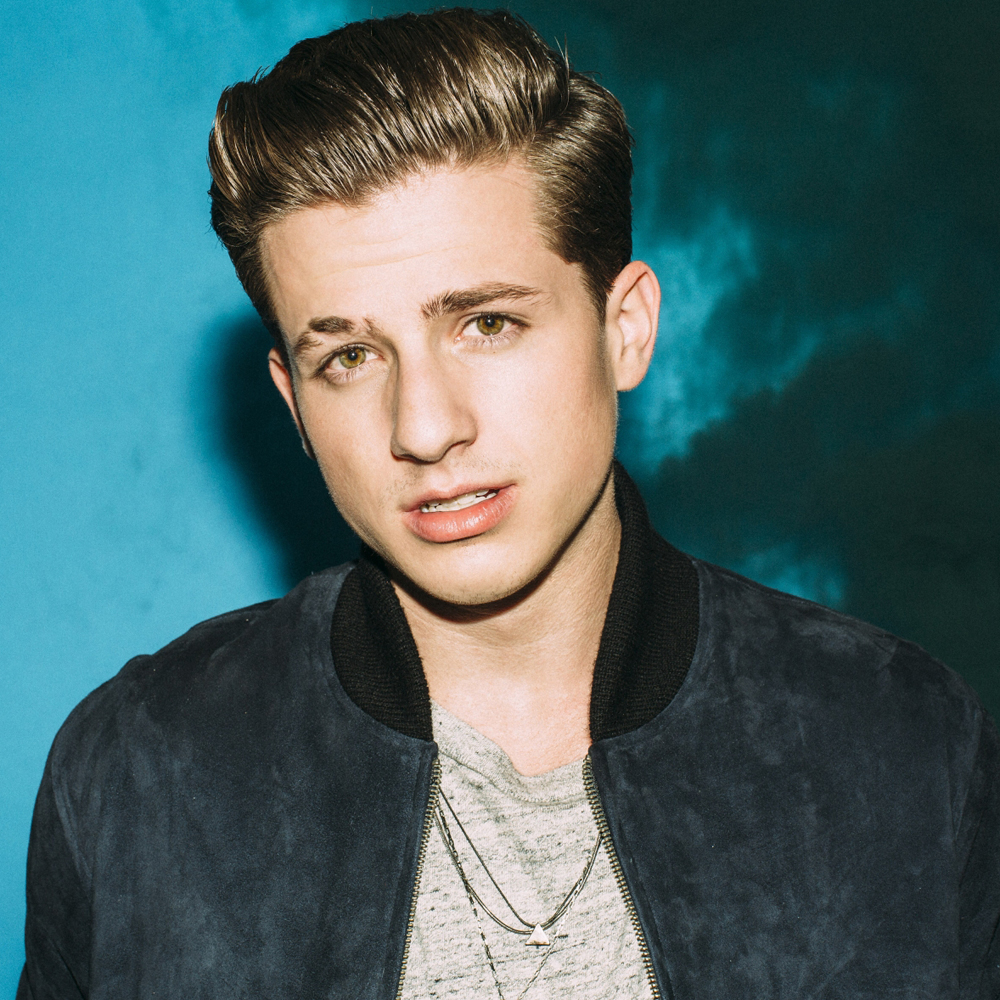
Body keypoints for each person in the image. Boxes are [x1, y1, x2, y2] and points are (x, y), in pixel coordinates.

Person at [18, 8, 1000, 999]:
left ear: (625, 328)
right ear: (294, 403)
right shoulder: (139, 771)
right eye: (349, 357)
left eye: (486, 323)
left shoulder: (901, 744)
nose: (424, 427)